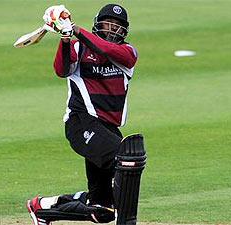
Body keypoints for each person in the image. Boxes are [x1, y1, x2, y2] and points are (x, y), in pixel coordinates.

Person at [27, 4, 147, 225]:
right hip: (81, 124)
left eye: (118, 26)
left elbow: (107, 50)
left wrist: (76, 30)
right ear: (97, 24)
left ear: (125, 31)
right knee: (126, 156)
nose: (112, 30)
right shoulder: (77, 49)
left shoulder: (128, 53)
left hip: (107, 130)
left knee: (103, 211)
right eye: (107, 24)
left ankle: (44, 208)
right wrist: (65, 38)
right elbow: (61, 70)